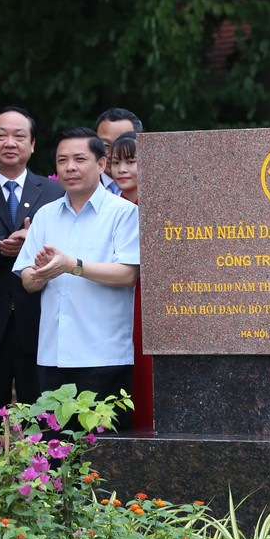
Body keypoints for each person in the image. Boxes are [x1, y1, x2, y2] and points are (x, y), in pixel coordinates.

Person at [13, 128, 141, 432]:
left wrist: (72, 265)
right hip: (53, 353)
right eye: (62, 160)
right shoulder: (45, 215)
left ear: (101, 164)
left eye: (79, 159)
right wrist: (43, 272)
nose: (70, 167)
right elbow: (28, 280)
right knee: (55, 457)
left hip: (104, 354)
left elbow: (128, 274)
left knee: (107, 456)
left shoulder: (123, 214)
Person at [0, 107, 65, 438]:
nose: (10, 143)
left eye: (19, 136)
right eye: (1, 135)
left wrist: (33, 244)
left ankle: (46, 485)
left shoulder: (55, 192)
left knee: (43, 415)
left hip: (39, 319)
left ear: (33, 144)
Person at [108, 131, 154, 429]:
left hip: (146, 298)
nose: (122, 169)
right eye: (115, 163)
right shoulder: (109, 206)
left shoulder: (157, 206)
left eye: (131, 161)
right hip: (112, 295)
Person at [94, 107, 144, 195]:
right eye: (105, 145)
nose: (113, 153)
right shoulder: (80, 189)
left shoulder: (158, 189)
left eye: (123, 145)